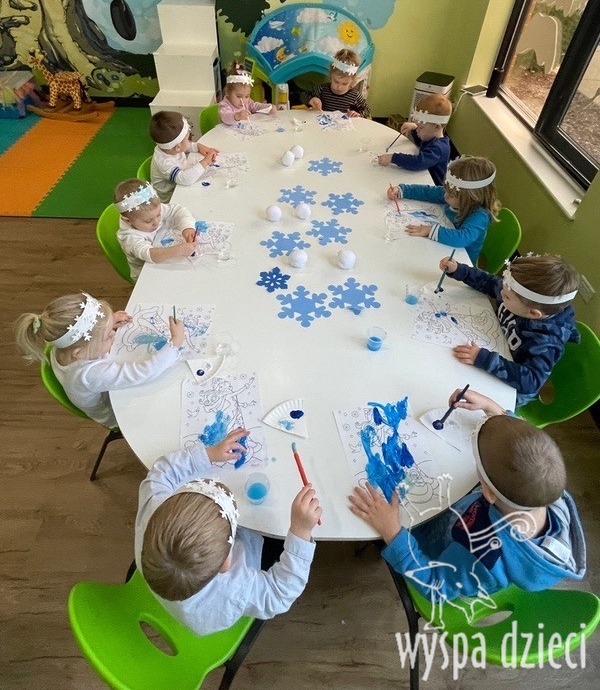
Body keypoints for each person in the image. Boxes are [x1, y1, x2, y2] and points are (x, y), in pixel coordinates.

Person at [348, 388, 586, 604]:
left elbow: (435, 586)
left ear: (488, 492)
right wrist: (494, 410)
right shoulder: (543, 489)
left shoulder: (482, 554)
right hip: (463, 517)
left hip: (441, 552)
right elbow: (526, 453)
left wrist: (393, 533)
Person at [135, 433, 322, 636]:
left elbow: (161, 473)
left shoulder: (153, 512)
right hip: (212, 612)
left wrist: (208, 454)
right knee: (276, 538)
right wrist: (301, 531)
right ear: (227, 563)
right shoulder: (234, 589)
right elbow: (280, 593)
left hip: (172, 592)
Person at [15, 291, 184, 428]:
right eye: (107, 336)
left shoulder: (62, 347)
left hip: (108, 388)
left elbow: (91, 340)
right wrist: (174, 343)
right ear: (79, 352)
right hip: (118, 414)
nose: (113, 335)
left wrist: (106, 325)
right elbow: (145, 371)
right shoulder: (89, 375)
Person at [438, 253, 580, 406]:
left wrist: (485, 359)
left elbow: (531, 382)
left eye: (506, 297)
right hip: (496, 345)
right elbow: (489, 282)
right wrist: (460, 270)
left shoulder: (546, 340)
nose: (500, 292)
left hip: (510, 387)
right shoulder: (514, 293)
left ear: (533, 313)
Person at [387, 156, 500, 264]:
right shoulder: (454, 195)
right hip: (441, 249)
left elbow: (462, 238)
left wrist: (430, 230)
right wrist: (402, 190)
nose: (445, 195)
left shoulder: (480, 215)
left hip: (459, 262)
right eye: (446, 191)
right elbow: (428, 192)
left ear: (470, 198)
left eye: (450, 195)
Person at [114, 179, 197, 281]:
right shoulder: (129, 237)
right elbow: (150, 254)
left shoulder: (151, 211)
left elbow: (179, 210)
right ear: (128, 221)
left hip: (164, 249)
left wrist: (187, 228)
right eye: (148, 221)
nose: (156, 222)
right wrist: (178, 250)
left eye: (158, 215)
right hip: (146, 276)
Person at [377, 93, 452, 186]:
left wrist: (394, 158)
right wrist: (414, 128)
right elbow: (422, 142)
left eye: (421, 127)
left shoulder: (438, 148)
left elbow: (418, 162)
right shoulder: (431, 135)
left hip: (432, 187)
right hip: (422, 176)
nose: (418, 130)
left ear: (437, 126)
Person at [150, 111, 219, 202]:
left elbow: (185, 146)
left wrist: (198, 147)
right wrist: (205, 162)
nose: (190, 140)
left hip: (180, 184)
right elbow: (185, 179)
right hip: (171, 197)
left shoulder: (170, 149)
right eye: (188, 138)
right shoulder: (165, 163)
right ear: (177, 147)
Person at [303, 48, 370, 118]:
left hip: (344, 124)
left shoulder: (354, 96)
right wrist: (311, 100)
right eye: (336, 81)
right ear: (331, 75)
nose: (339, 87)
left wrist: (357, 114)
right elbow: (303, 95)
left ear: (352, 80)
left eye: (344, 84)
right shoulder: (322, 89)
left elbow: (366, 111)